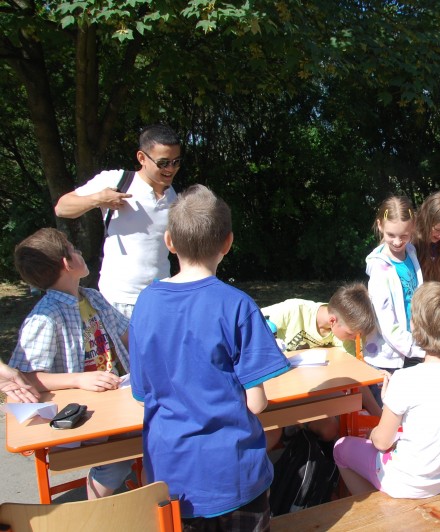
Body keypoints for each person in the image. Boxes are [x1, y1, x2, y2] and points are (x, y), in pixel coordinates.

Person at [129, 185, 290, 530]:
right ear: (227, 243)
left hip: (171, 478)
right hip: (235, 474)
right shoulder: (238, 305)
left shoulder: (145, 304)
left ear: (169, 242)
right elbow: (256, 404)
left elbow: (142, 392)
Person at [9, 228, 132, 499]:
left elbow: (130, 335)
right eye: (74, 249)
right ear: (67, 263)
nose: (79, 252)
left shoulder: (93, 297)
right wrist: (78, 379)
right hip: (85, 416)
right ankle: (98, 508)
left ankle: (151, 497)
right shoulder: (45, 316)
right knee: (122, 455)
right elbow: (25, 377)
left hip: (117, 400)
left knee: (152, 436)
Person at [333, 282, 440, 498]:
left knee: (341, 448)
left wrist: (376, 425)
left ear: (415, 327)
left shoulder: (405, 379)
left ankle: (375, 509)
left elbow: (382, 442)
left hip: (407, 480)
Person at [54, 124, 181, 317]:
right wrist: (98, 199)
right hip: (118, 300)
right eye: (163, 163)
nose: (170, 169)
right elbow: (62, 208)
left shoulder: (173, 196)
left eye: (176, 162)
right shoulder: (118, 181)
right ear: (142, 158)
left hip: (160, 298)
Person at [261, 282, 382, 420]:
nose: (354, 339)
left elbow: (355, 377)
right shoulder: (292, 311)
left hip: (309, 389)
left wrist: (379, 416)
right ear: (332, 320)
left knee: (329, 428)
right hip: (274, 388)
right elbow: (250, 321)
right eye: (350, 334)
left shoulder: (342, 335)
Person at [363, 196, 425, 373]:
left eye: (404, 235)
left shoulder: (411, 252)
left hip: (413, 346)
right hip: (390, 358)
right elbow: (387, 325)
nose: (397, 242)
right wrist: (420, 351)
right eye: (391, 235)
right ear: (380, 225)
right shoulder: (379, 270)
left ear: (413, 227)